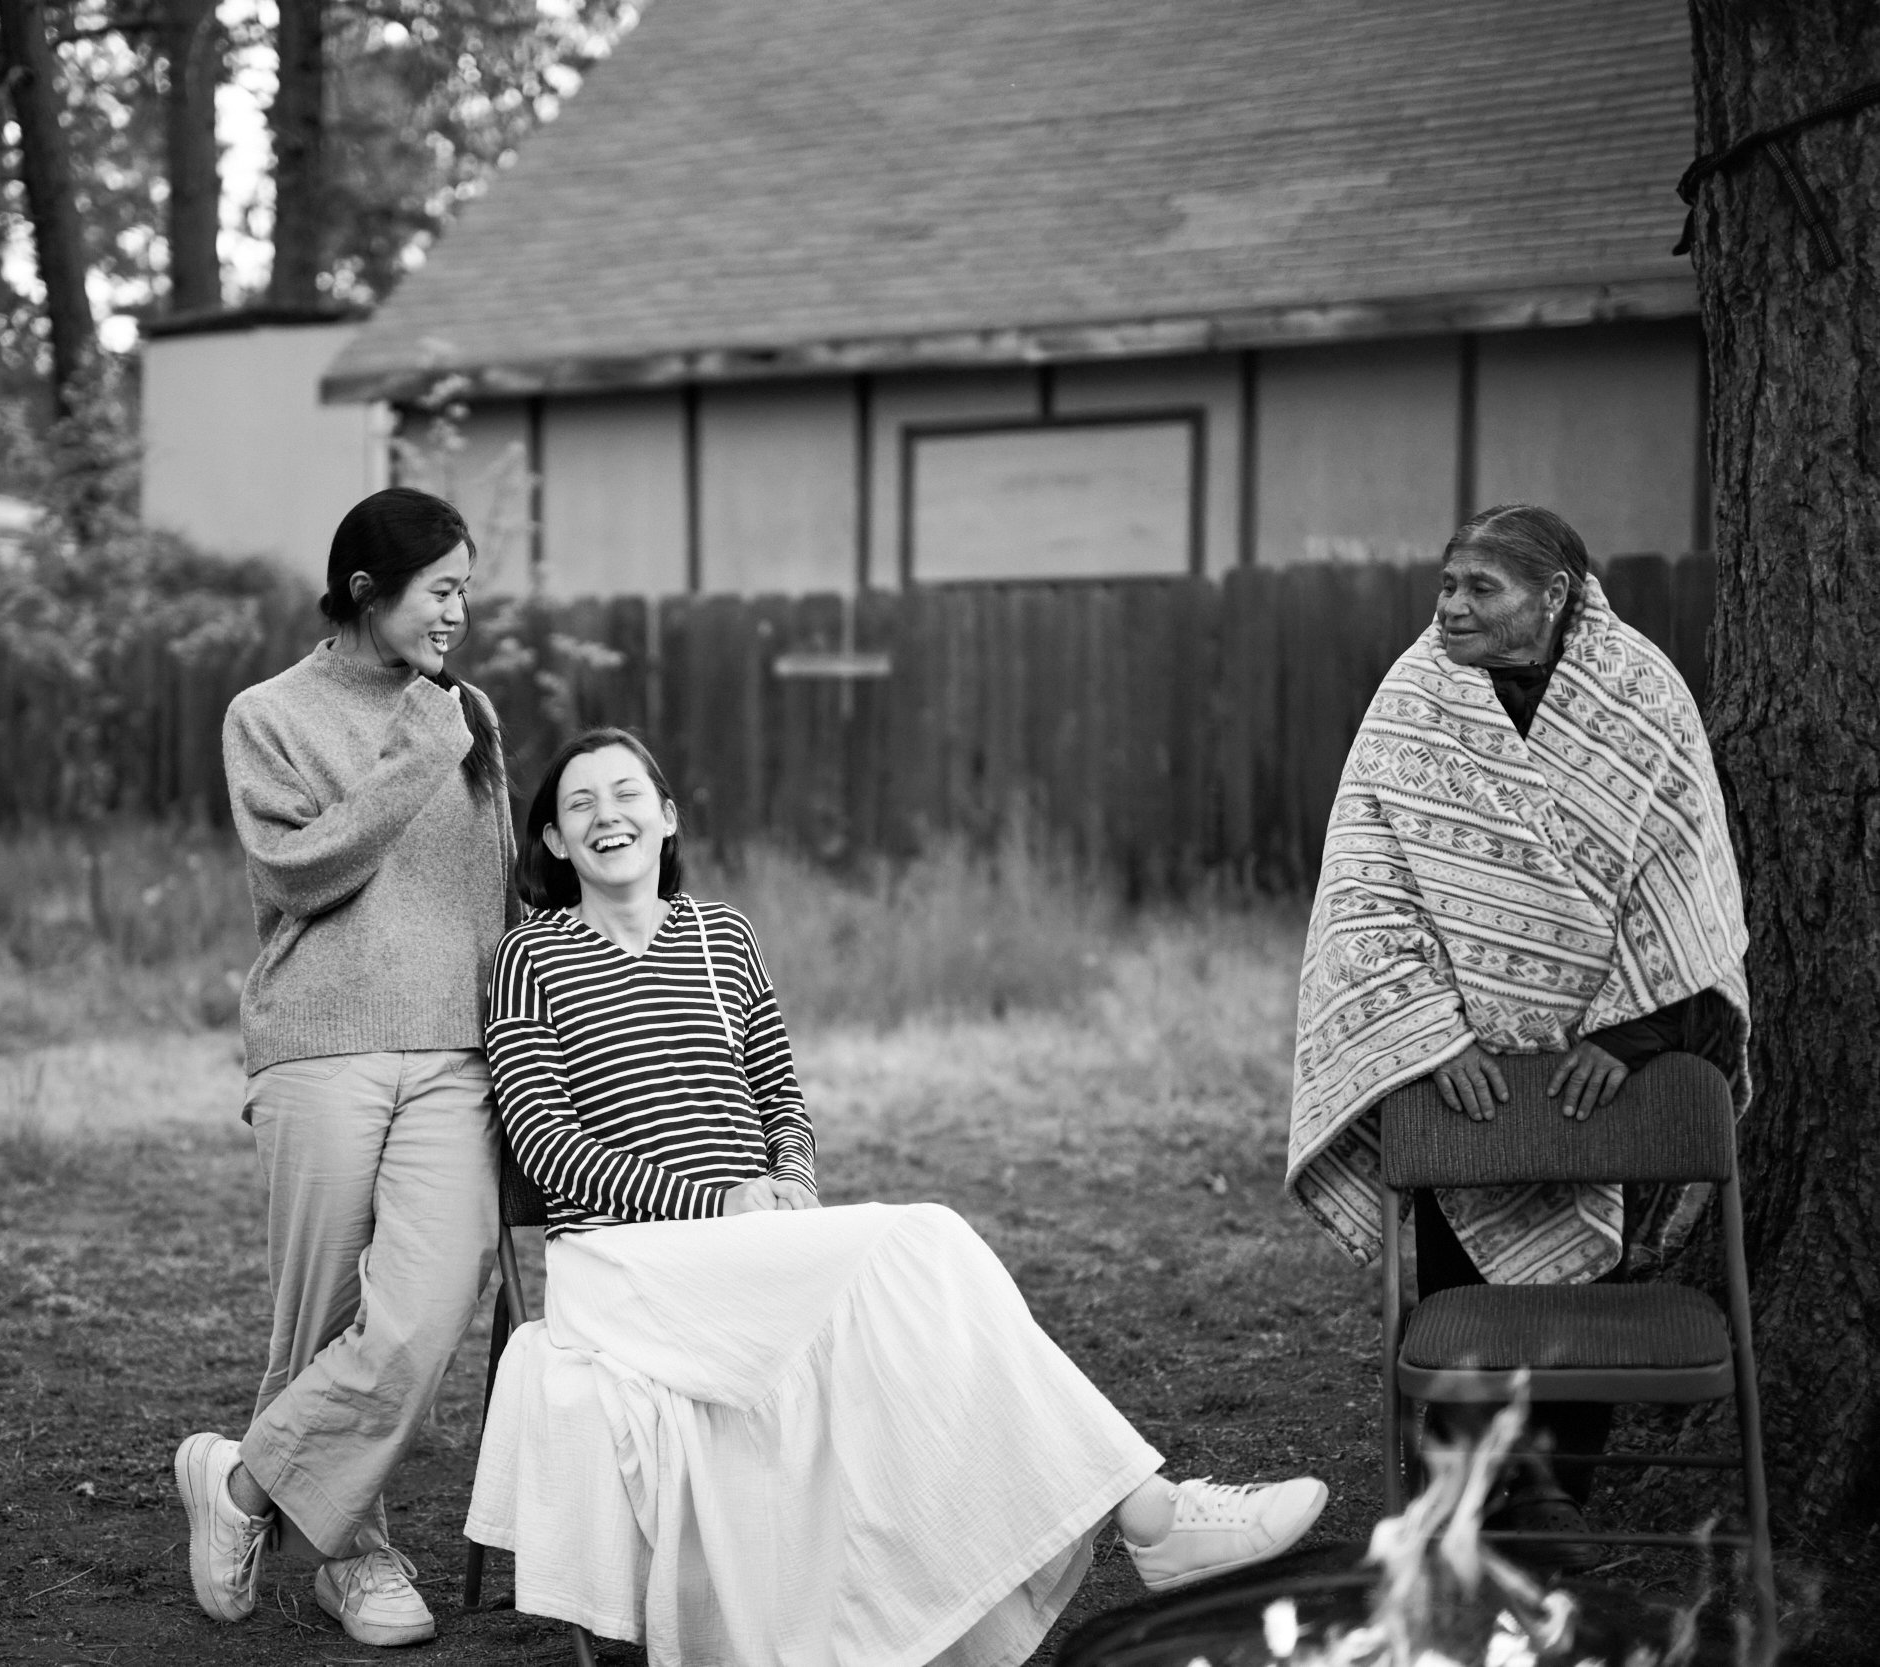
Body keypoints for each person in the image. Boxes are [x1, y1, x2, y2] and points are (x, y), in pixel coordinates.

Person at [468, 728, 1328, 1667]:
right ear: (552, 841)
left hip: (752, 1250)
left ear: (666, 817)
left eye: (626, 793)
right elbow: (546, 1145)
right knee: (925, 1241)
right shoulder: (530, 956)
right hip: (626, 1267)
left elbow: (781, 1098)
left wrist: (791, 1181)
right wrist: (717, 1201)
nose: (607, 815)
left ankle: (1143, 1516)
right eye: (580, 803)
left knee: (922, 1277)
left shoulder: (724, 934)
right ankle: (1155, 1513)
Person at [1286, 504, 1749, 1563]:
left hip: (1608, 1061)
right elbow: (1370, 887)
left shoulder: (1642, 696)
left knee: (1587, 1281)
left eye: (1479, 588)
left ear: (1554, 596)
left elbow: (1683, 888)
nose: (1450, 606)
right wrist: (1433, 1038)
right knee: (1460, 1277)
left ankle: (1552, 1493)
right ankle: (1472, 1493)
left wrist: (1628, 1039)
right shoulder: (1411, 702)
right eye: (1445, 584)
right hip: (1467, 1071)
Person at [175, 487, 516, 1648]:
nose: (458, 614)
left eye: (466, 590)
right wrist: (419, 751)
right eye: (442, 590)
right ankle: (350, 1556)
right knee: (318, 1321)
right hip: (319, 1044)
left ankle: (240, 1484)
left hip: (456, 1049)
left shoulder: (464, 712)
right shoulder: (268, 714)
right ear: (368, 590)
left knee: (423, 1312)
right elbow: (295, 870)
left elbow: (494, 887)